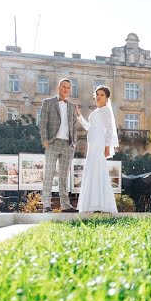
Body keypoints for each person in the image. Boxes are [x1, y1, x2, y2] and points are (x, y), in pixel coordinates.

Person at [75, 85, 119, 213]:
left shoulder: (105, 110)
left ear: (106, 98)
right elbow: (89, 127)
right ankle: (91, 205)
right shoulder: (96, 112)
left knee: (99, 171)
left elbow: (110, 130)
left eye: (102, 95)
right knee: (91, 171)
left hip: (99, 145)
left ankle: (101, 205)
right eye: (97, 94)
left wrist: (107, 147)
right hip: (92, 145)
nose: (99, 97)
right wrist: (79, 115)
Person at [38, 78, 78, 212]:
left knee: (64, 176)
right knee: (49, 173)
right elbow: (43, 122)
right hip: (53, 143)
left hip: (68, 144)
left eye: (68, 87)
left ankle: (65, 205)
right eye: (64, 87)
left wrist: (74, 143)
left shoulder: (72, 106)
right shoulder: (48, 103)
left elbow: (74, 126)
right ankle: (46, 204)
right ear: (58, 87)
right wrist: (44, 139)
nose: (66, 89)